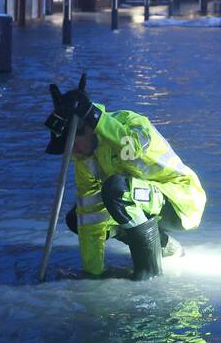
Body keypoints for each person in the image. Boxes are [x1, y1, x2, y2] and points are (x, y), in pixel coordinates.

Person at [45, 80, 206, 280]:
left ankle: (149, 273)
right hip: (142, 201)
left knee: (117, 190)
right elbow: (90, 217)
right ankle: (166, 247)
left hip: (179, 201)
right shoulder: (83, 159)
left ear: (87, 128)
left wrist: (95, 117)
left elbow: (133, 149)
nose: (73, 153)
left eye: (73, 145)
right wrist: (93, 273)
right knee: (76, 218)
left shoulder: (129, 122)